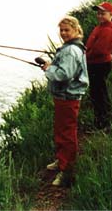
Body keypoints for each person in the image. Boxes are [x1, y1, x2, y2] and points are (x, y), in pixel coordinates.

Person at [41, 16, 89, 186]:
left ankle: (66, 169)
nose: (63, 33)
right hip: (65, 97)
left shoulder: (70, 50)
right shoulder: (72, 47)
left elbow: (63, 75)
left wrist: (48, 68)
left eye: (67, 30)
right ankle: (61, 160)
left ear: (76, 30)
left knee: (67, 133)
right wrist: (52, 65)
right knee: (61, 130)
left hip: (68, 97)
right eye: (61, 30)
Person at [85, 1, 112, 130]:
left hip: (99, 65)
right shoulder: (101, 26)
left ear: (111, 14)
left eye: (103, 13)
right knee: (99, 92)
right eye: (98, 13)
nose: (99, 16)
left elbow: (100, 51)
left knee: (98, 94)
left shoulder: (107, 30)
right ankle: (103, 119)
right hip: (97, 64)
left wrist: (83, 56)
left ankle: (102, 123)